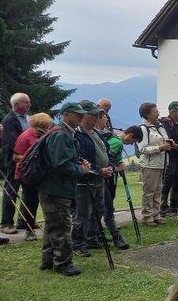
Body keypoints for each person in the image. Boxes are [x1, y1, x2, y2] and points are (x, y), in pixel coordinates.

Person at [37, 102, 92, 276]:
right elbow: (61, 164)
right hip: (56, 188)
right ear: (66, 114)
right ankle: (63, 263)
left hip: (54, 187)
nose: (81, 117)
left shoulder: (63, 132)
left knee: (52, 226)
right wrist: (81, 170)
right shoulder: (61, 135)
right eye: (78, 114)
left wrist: (77, 164)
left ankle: (47, 261)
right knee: (61, 226)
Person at [71, 101, 124, 256]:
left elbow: (105, 151)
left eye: (98, 115)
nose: (97, 118)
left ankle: (92, 237)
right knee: (82, 214)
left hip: (100, 180)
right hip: (84, 181)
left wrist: (111, 165)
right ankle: (77, 243)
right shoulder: (77, 135)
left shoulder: (97, 132)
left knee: (99, 209)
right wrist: (99, 170)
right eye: (94, 115)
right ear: (84, 116)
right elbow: (80, 158)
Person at [11, 112, 54, 237]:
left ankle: (27, 222)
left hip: (40, 173)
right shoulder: (25, 136)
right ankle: (28, 231)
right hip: (28, 173)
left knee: (40, 199)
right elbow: (15, 157)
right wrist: (30, 158)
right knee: (31, 201)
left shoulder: (44, 135)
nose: (45, 130)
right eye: (43, 127)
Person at [95, 109, 129, 249]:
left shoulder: (101, 135)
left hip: (105, 177)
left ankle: (115, 237)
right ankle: (94, 237)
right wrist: (115, 167)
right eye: (104, 118)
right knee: (94, 211)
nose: (107, 122)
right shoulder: (86, 135)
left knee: (107, 208)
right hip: (95, 177)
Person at [0, 92, 31, 235]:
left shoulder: (27, 118)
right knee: (11, 192)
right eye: (26, 102)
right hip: (15, 161)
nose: (29, 104)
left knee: (29, 192)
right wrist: (19, 157)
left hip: (28, 162)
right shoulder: (9, 120)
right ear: (16, 104)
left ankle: (24, 221)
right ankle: (6, 223)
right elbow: (9, 144)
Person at [137, 102, 172, 226]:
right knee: (149, 191)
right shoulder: (143, 128)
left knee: (158, 190)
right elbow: (142, 149)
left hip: (161, 163)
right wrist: (160, 148)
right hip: (150, 165)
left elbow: (165, 140)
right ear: (147, 114)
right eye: (155, 112)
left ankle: (156, 215)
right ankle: (147, 217)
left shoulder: (159, 126)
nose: (158, 113)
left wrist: (168, 143)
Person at [160, 101, 178, 216]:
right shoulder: (166, 123)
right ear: (173, 111)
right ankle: (163, 207)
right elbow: (168, 141)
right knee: (168, 182)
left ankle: (174, 206)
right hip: (170, 157)